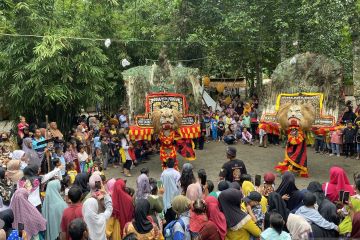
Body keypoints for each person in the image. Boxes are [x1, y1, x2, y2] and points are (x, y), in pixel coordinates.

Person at [160, 158, 181, 225]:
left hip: (165, 199)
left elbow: (160, 185)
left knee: (167, 220)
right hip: (174, 199)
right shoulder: (177, 173)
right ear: (174, 164)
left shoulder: (163, 173)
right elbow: (179, 185)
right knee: (174, 220)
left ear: (166, 165)